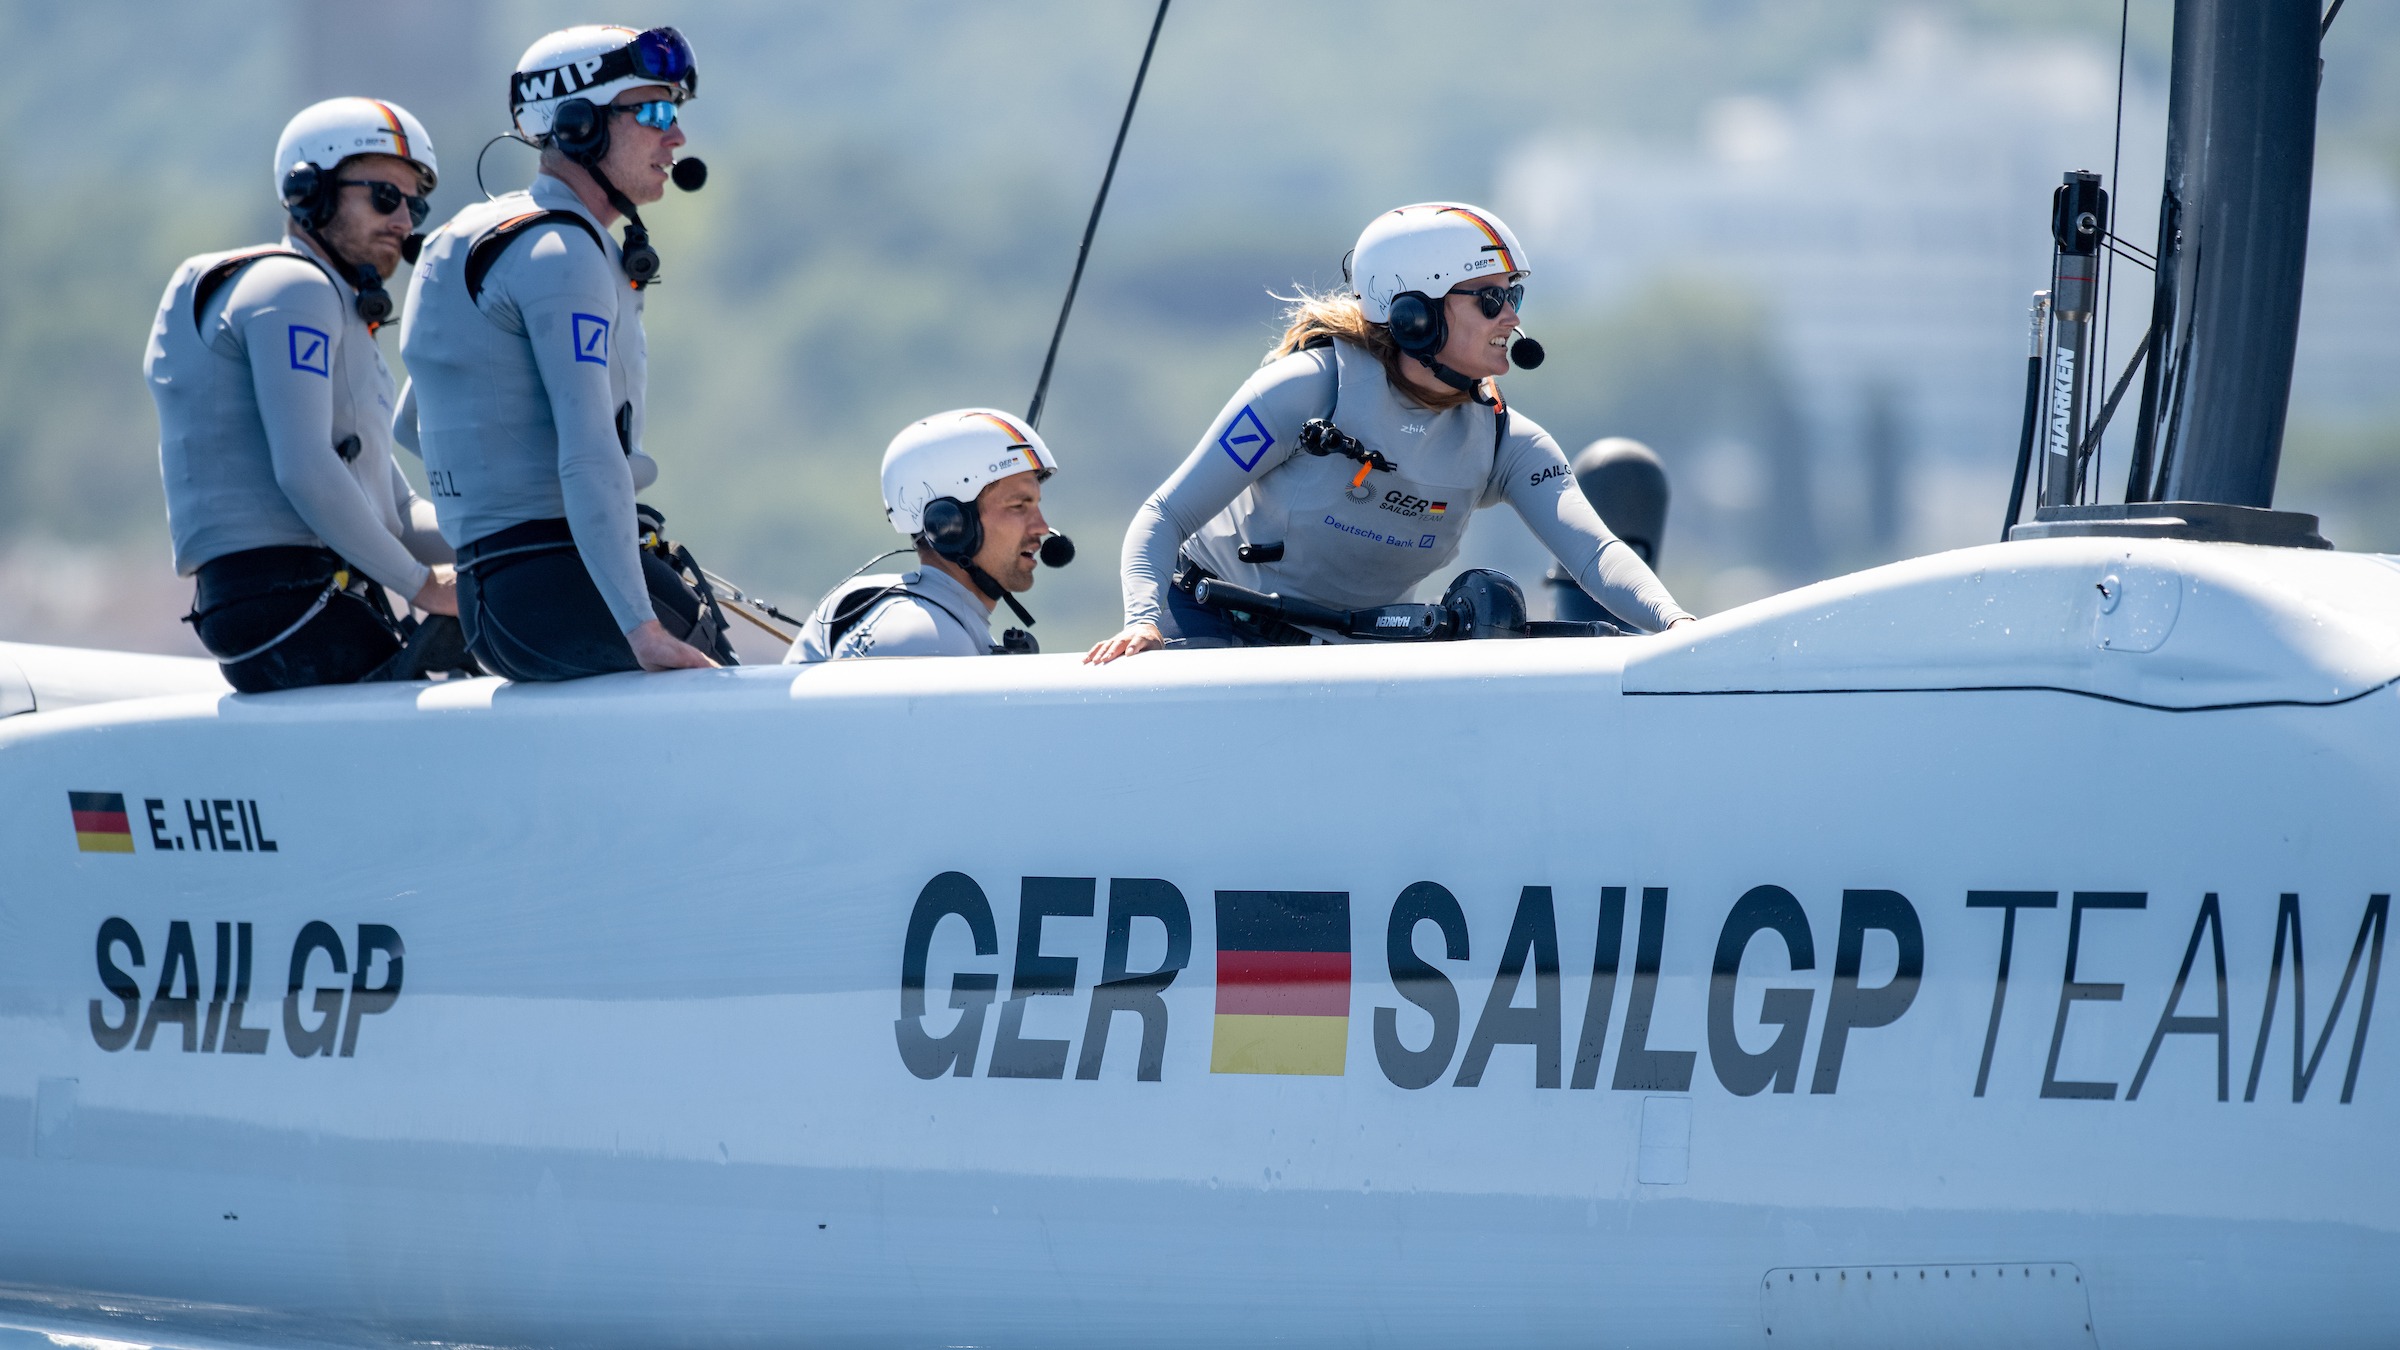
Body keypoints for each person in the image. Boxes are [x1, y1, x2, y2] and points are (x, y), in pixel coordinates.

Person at [1085, 202, 1694, 663]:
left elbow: (1594, 553)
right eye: (1488, 298)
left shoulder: (1511, 442)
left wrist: (1676, 624)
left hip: (1341, 652)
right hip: (1205, 622)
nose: (1511, 315)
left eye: (1514, 294)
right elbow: (1163, 515)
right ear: (1413, 313)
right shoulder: (1305, 389)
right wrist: (1142, 619)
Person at [397, 25, 730, 681]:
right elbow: (588, 453)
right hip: (557, 581)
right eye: (655, 112)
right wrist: (641, 630)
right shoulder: (566, 253)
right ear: (579, 125)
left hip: (495, 598)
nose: (677, 137)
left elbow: (411, 425)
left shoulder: (460, 238)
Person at [145, 98, 464, 693]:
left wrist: (527, 534)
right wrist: (423, 586)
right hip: (291, 601)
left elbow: (398, 513)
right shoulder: (294, 288)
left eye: (414, 204)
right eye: (385, 197)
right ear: (309, 191)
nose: (404, 220)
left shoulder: (324, 302)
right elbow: (306, 469)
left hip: (291, 604)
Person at [788, 409, 1059, 662]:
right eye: (1018, 506)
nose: (1042, 527)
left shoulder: (901, 610)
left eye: (1036, 505)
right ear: (949, 523)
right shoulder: (922, 637)